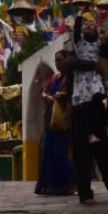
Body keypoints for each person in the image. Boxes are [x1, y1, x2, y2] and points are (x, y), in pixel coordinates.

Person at [66, 19, 108, 205]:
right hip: (79, 109)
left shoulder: (97, 47)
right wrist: (92, 66)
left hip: (96, 106)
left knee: (105, 152)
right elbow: (72, 63)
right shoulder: (74, 53)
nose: (89, 29)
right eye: (86, 27)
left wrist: (104, 43)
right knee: (82, 155)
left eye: (92, 27)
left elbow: (104, 54)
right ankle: (86, 194)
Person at [35, 50, 75, 196]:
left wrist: (60, 97)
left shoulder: (70, 78)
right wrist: (46, 96)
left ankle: (71, 181)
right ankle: (53, 185)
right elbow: (44, 91)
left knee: (60, 152)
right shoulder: (55, 77)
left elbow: (68, 95)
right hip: (50, 117)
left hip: (62, 118)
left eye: (60, 60)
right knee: (49, 151)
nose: (58, 63)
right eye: (56, 60)